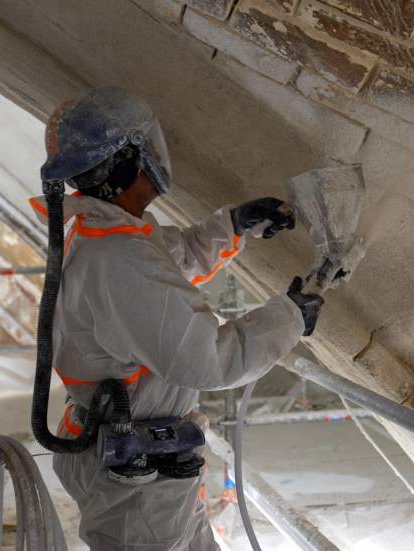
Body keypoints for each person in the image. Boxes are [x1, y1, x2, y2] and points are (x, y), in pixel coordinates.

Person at [31, 87, 323, 550]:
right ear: (129, 164)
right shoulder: (118, 261)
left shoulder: (110, 237)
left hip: (146, 463)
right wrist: (288, 318)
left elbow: (173, 258)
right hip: (138, 481)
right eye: (147, 148)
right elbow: (208, 361)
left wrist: (233, 224)